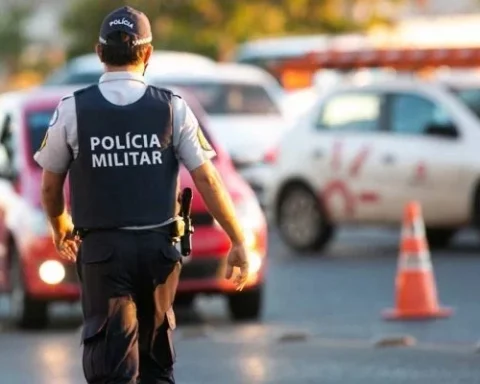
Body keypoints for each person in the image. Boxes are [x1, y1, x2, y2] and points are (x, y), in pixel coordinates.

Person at [34, 6, 249, 384]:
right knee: (156, 367)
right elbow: (209, 180)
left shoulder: (72, 110)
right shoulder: (172, 107)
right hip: (158, 251)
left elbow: (50, 187)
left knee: (111, 369)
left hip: (103, 255)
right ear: (147, 54)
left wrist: (59, 224)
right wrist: (238, 238)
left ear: (100, 53)